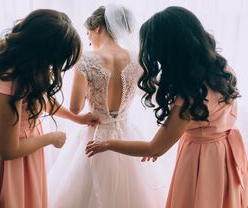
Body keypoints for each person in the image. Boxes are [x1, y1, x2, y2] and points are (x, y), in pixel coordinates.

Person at [86, 6, 248, 208]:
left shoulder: (190, 95)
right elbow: (203, 121)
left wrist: (107, 144)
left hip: (202, 160)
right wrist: (163, 140)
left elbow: (155, 147)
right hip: (223, 153)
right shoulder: (222, 69)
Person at [0, 9, 98, 208]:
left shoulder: (29, 66)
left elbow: (40, 98)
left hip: (27, 145)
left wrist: (76, 118)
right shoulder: (8, 82)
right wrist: (51, 138)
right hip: (10, 150)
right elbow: (8, 149)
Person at [48, 5, 162, 208]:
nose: (89, 39)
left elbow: (75, 108)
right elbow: (153, 94)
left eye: (89, 33)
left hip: (94, 135)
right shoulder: (138, 59)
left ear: (99, 27)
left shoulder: (87, 60)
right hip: (127, 135)